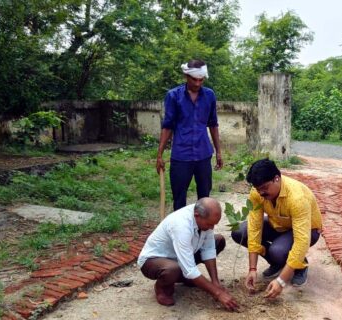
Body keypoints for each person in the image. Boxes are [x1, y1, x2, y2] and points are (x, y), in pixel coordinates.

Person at [231, 159, 322, 299]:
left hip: (308, 231)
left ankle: (300, 266)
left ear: (277, 179)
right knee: (240, 232)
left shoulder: (297, 198)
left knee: (277, 251)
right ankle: (279, 263)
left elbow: (302, 240)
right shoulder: (257, 192)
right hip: (279, 224)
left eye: (265, 188)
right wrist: (252, 269)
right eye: (258, 189)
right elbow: (255, 227)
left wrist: (281, 281)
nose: (261, 193)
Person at [137, 197, 239, 311]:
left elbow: (209, 249)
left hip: (182, 255)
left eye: (214, 224)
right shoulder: (181, 225)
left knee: (218, 240)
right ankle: (162, 288)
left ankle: (183, 276)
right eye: (209, 224)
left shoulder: (204, 216)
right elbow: (190, 269)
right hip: (153, 261)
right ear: (196, 215)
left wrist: (215, 282)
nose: (212, 228)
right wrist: (219, 294)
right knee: (173, 269)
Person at [156, 59, 222, 211]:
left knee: (205, 200)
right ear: (186, 75)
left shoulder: (209, 95)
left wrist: (218, 151)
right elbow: (167, 126)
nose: (198, 83)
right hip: (181, 156)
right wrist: (159, 154)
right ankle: (181, 233)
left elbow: (213, 124)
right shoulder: (173, 96)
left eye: (201, 79)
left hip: (203, 154)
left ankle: (202, 232)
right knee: (179, 198)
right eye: (194, 79)